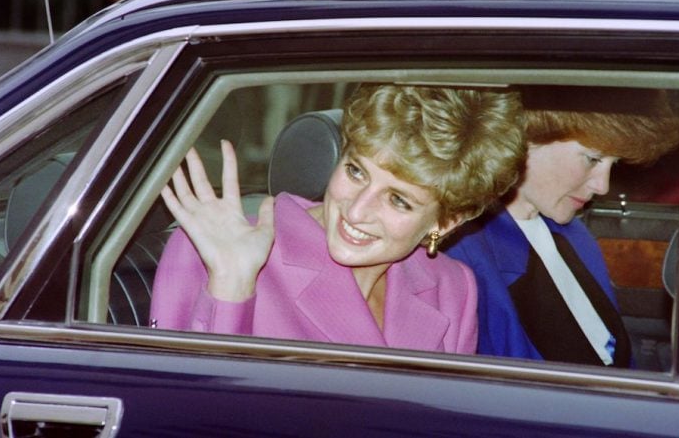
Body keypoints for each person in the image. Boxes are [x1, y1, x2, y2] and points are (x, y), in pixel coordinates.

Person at [149, 84, 526, 354]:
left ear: (445, 223)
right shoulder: (215, 246)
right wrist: (231, 284)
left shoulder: (452, 288)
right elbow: (179, 414)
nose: (357, 210)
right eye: (356, 172)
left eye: (398, 200)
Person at [445, 86, 679, 366]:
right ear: (525, 141)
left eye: (613, 163)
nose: (602, 185)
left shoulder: (576, 235)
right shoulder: (463, 256)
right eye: (593, 159)